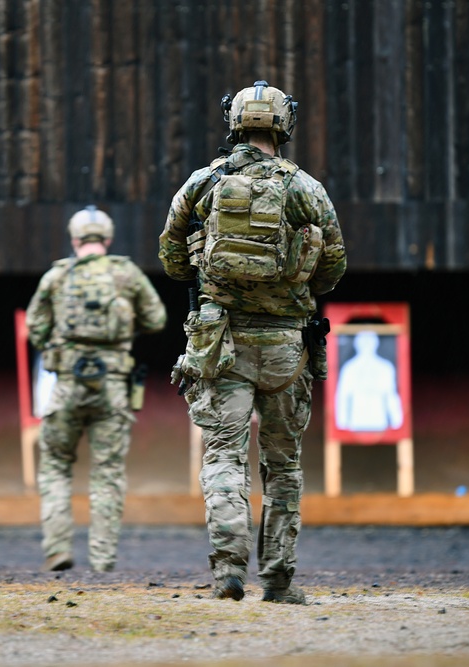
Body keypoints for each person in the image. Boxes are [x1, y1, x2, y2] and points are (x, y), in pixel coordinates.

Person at [159, 81, 346, 603]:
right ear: (284, 125)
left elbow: (172, 260)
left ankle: (227, 571)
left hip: (219, 346)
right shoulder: (305, 187)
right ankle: (281, 580)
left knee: (223, 456)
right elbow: (334, 267)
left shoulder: (202, 184)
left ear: (234, 122)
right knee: (283, 464)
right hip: (288, 347)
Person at [27, 206, 167, 572]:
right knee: (107, 472)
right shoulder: (127, 273)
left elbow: (35, 329)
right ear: (107, 239)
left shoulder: (57, 276)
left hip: (67, 386)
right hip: (113, 388)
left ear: (74, 240)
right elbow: (157, 319)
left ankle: (57, 549)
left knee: (56, 466)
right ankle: (103, 561)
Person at [335, 331, 404, 432]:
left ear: (376, 343)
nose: (366, 345)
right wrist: (342, 422)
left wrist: (397, 420)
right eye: (363, 342)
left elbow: (391, 395)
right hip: (357, 420)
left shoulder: (385, 368)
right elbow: (343, 396)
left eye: (370, 341)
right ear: (356, 344)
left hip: (379, 420)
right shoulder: (350, 368)